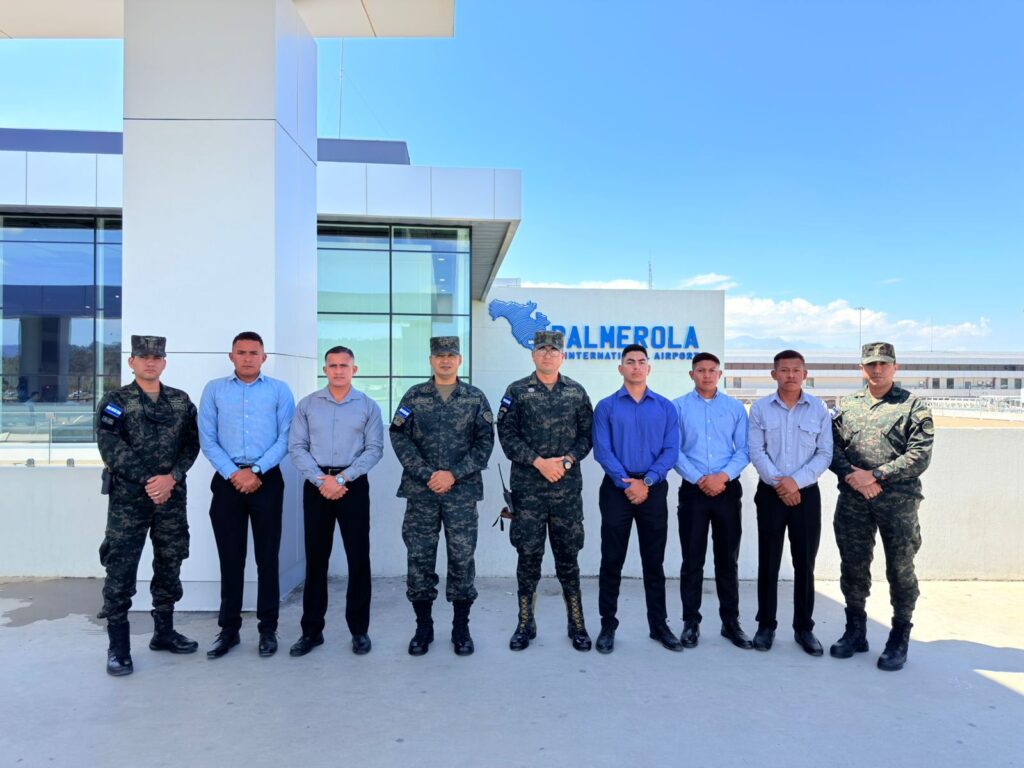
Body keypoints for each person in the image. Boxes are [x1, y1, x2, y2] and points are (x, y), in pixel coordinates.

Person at [95, 335, 200, 676]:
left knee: (170, 561)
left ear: (164, 362)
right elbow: (110, 446)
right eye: (143, 357)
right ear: (132, 362)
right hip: (129, 501)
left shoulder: (180, 401)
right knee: (121, 568)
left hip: (171, 497)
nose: (150, 362)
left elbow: (192, 445)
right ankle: (118, 647)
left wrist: (172, 478)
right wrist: (149, 481)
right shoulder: (116, 401)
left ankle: (164, 632)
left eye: (156, 357)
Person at [830, 342, 934, 671]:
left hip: (898, 503)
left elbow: (920, 455)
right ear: (862, 369)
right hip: (854, 500)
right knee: (853, 566)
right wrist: (857, 479)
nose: (877, 370)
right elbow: (831, 449)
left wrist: (875, 475)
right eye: (871, 364)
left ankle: (899, 636)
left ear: (895, 367)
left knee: (900, 570)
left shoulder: (912, 406)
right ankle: (855, 630)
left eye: (884, 364)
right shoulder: (848, 406)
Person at [390, 336, 494, 657]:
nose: (445, 360)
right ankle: (423, 627)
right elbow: (399, 436)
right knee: (419, 558)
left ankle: (461, 629)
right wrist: (427, 474)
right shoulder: (414, 395)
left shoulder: (475, 398)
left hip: (461, 493)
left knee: (462, 559)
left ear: (459, 360)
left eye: (451, 355)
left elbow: (485, 442)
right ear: (431, 360)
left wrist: (453, 474)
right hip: (421, 493)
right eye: (439, 355)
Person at [198, 331, 295, 659]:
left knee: (267, 559)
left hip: (267, 479)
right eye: (241, 352)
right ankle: (229, 630)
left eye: (254, 353)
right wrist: (234, 473)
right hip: (227, 481)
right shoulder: (214, 390)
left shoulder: (279, 390)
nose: (248, 358)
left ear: (264, 357)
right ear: (232, 356)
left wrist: (255, 471)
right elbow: (207, 438)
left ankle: (268, 629)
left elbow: (286, 437)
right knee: (231, 558)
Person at [496, 330, 594, 652]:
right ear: (533, 354)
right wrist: (539, 462)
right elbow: (507, 436)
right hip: (529, 493)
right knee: (528, 557)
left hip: (566, 492)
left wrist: (565, 462)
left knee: (569, 558)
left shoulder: (576, 392)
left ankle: (576, 623)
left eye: (554, 350)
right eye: (542, 349)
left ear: (562, 356)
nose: (548, 354)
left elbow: (587, 436)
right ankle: (525, 623)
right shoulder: (516, 391)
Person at [287, 346, 383, 657]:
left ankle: (359, 631)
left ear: (354, 370)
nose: (338, 370)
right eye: (333, 365)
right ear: (325, 369)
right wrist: (322, 480)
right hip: (317, 487)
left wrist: (341, 479)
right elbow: (297, 447)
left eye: (344, 365)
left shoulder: (368, 406)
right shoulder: (307, 405)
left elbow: (374, 449)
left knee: (358, 559)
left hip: (352, 486)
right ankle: (311, 632)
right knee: (316, 560)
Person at [592, 344, 681, 654]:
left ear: (649, 368)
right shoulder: (606, 407)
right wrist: (626, 482)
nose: (636, 366)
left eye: (641, 362)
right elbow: (602, 450)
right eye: (629, 362)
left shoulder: (666, 407)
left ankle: (659, 625)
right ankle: (607, 625)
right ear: (621, 368)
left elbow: (671, 450)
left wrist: (648, 481)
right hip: (616, 490)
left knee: (653, 562)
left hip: (653, 490)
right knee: (611, 560)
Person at [747, 350, 832, 655]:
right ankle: (765, 625)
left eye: (796, 370)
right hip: (771, 494)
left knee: (804, 563)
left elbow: (825, 453)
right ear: (774, 375)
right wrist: (780, 483)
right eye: (784, 370)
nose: (791, 375)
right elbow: (756, 451)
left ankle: (804, 627)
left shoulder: (819, 409)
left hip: (806, 495)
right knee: (768, 561)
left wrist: (796, 482)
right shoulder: (760, 409)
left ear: (805, 374)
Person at [673, 352, 752, 650]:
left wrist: (722, 477)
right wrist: (699, 479)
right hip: (693, 491)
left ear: (720, 375)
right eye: (700, 370)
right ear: (691, 374)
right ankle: (690, 623)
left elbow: (744, 449)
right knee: (692, 560)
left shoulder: (734, 408)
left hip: (727, 490)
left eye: (712, 370)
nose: (706, 375)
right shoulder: (678, 407)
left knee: (727, 560)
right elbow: (674, 451)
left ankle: (730, 623)